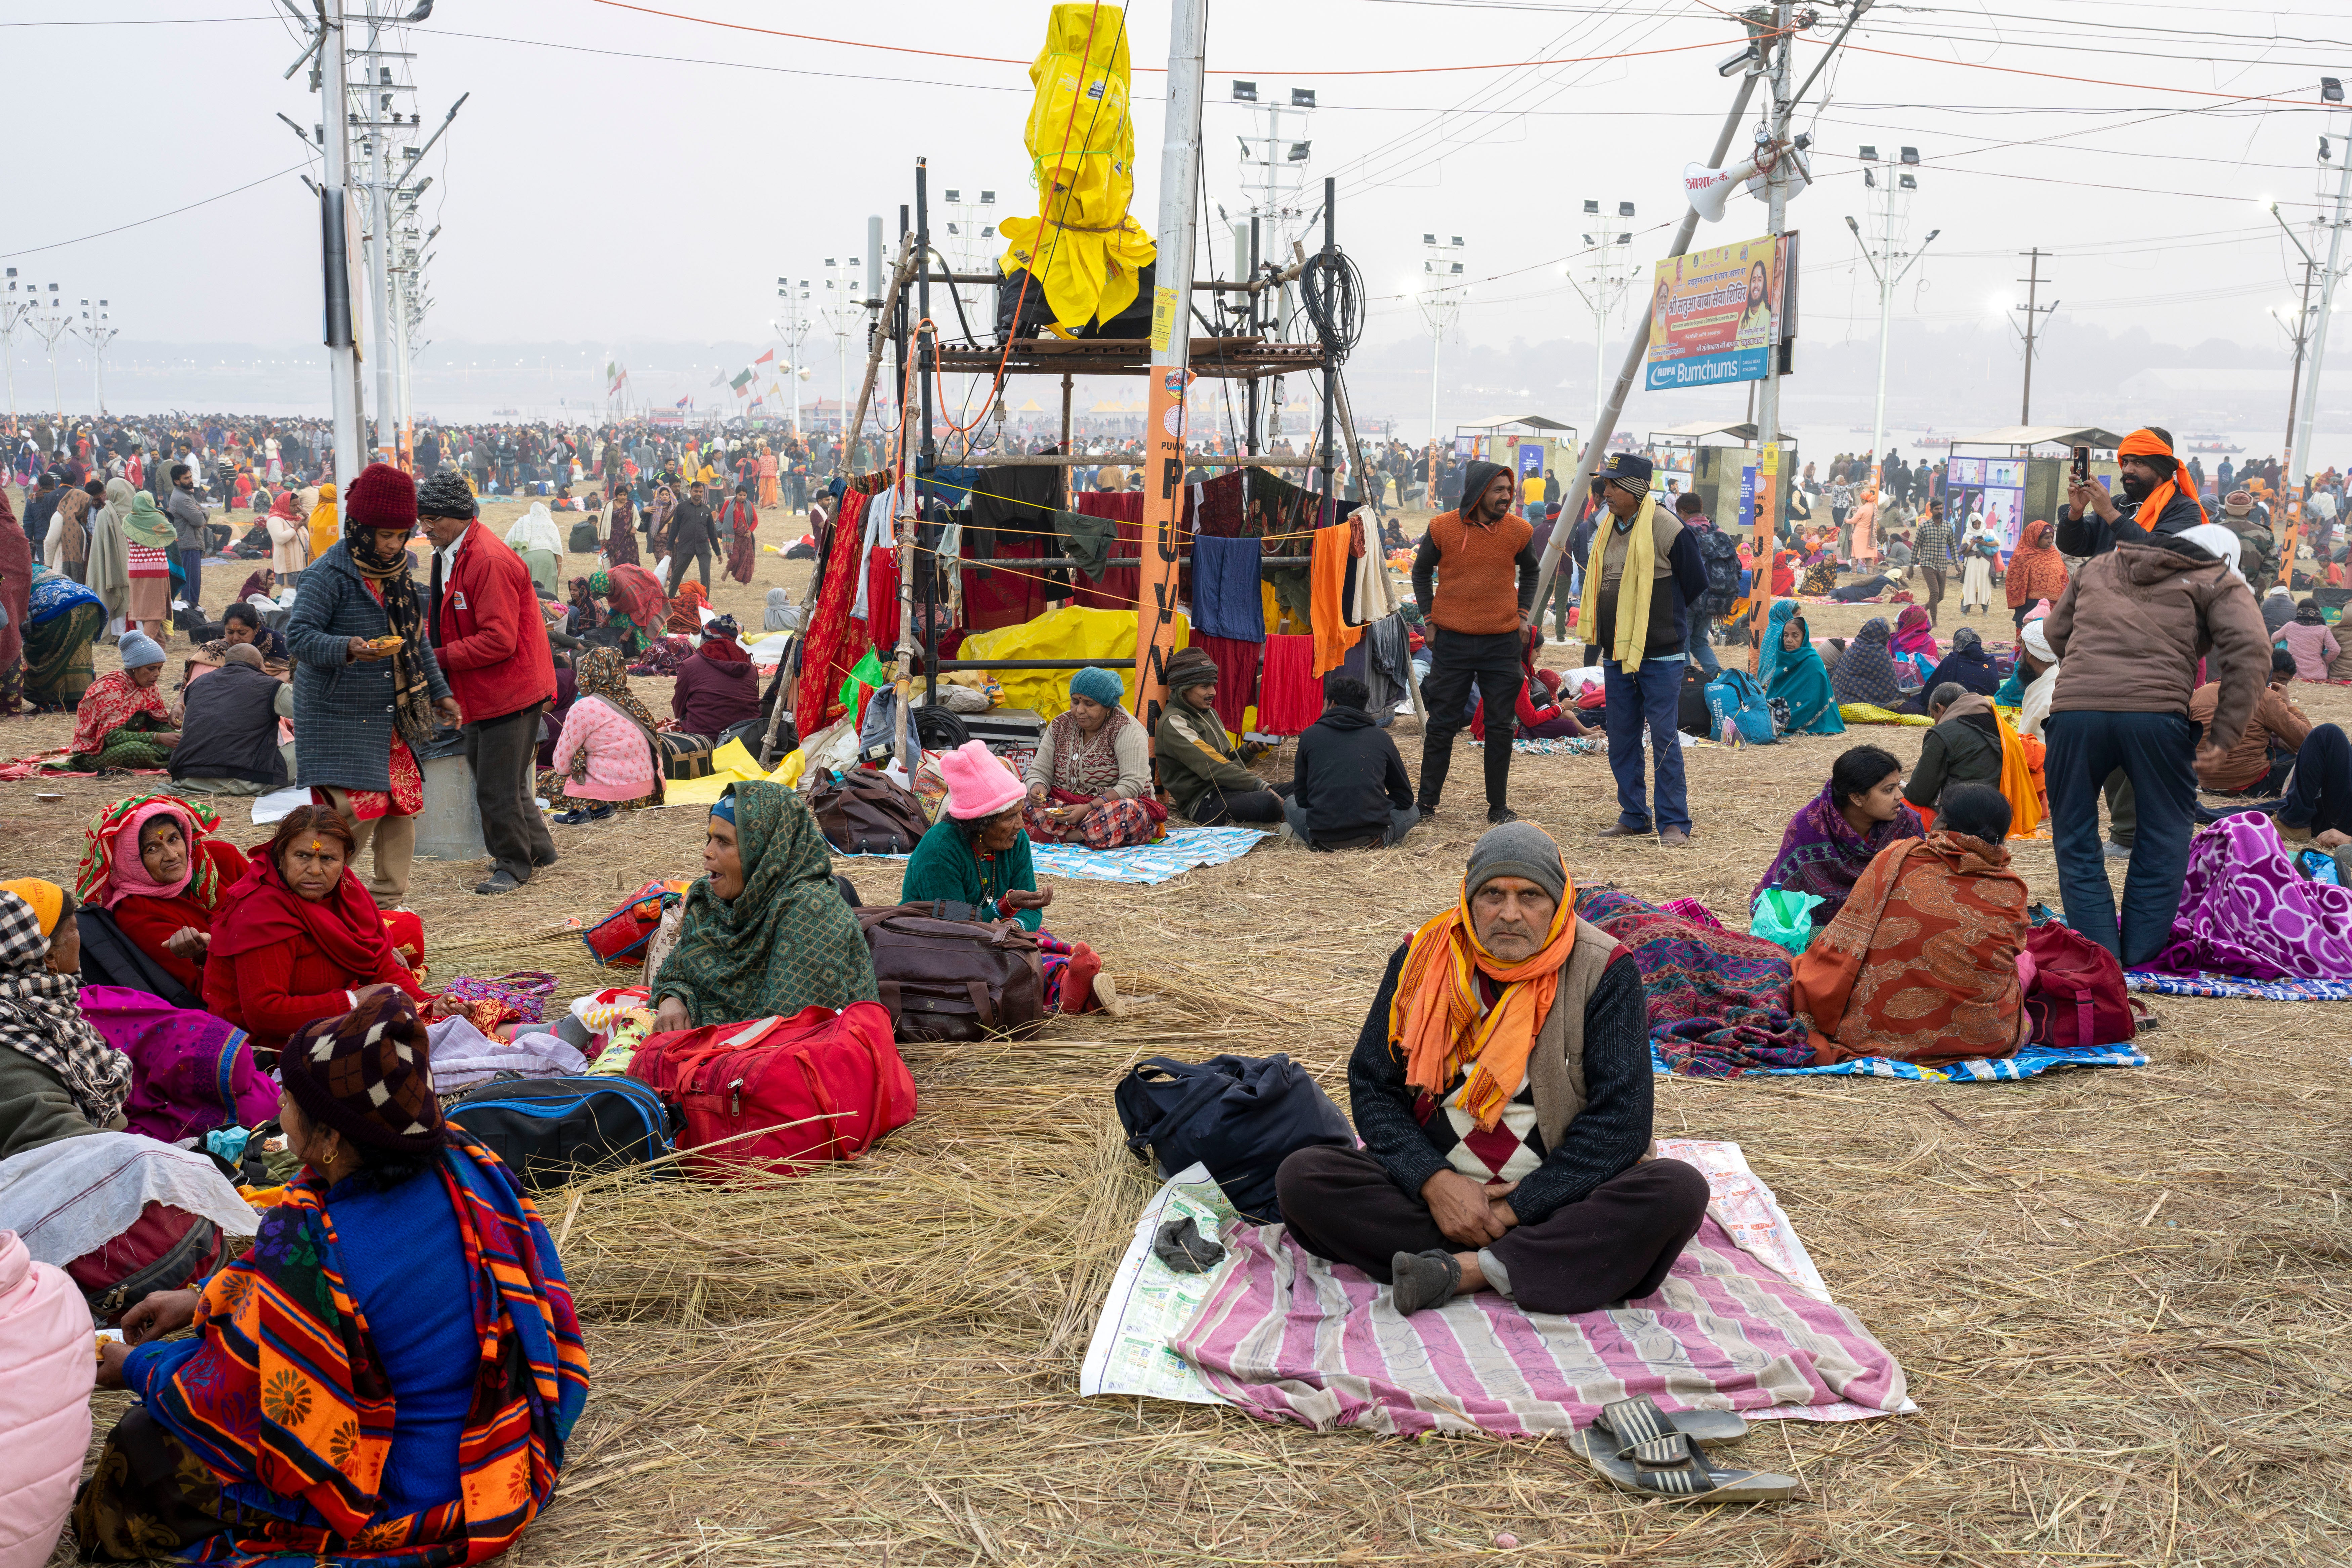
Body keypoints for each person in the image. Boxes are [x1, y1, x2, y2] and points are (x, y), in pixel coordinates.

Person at [77, 989, 588, 1566]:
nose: (277, 1103)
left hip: (402, 1484)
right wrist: (197, 1300)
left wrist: (135, 1365)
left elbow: (230, 1397)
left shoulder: (319, 1250)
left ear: (331, 1139)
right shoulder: (465, 1165)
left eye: (290, 1100)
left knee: (144, 1447)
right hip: (496, 1445)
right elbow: (281, 1288)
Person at [1271, 823, 1709, 1316]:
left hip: (1559, 1196)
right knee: (1303, 1177)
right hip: (1436, 1195)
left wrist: (1515, 1208)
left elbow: (1622, 1123)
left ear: (1559, 902)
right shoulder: (1419, 957)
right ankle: (1530, 1262)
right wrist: (1435, 1183)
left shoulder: (1604, 968)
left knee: (1677, 1190)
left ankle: (1466, 1269)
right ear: (1468, 898)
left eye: (1530, 896)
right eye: (1493, 894)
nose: (1510, 913)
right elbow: (1374, 1085)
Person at [2044, 511, 2269, 965]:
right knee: (2164, 834)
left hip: (2074, 716)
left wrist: (2092, 673)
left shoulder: (2099, 565)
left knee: (2075, 837)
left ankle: (2101, 955)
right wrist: (2225, 730)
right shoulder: (2213, 577)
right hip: (2156, 717)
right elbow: (2252, 650)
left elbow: (2054, 631)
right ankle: (2139, 955)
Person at [286, 463, 461, 905]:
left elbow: (415, 642)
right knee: (357, 808)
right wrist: (347, 647)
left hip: (386, 716)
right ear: (360, 529)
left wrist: (440, 692)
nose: (394, 545)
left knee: (402, 803)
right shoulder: (327, 574)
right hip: (337, 715)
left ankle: (387, 899)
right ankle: (316, 892)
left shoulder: (397, 573)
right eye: (385, 535)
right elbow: (299, 637)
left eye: (402, 535)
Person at [1790, 783, 2030, 1068]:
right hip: (1984, 1041)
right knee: (2025, 962)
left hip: (1871, 1034)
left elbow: (1845, 938)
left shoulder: (1895, 857)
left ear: (1942, 824)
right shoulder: (2012, 889)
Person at [418, 469, 560, 896]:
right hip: (487, 687)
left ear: (457, 515)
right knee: (503, 778)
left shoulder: (487, 560)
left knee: (496, 787)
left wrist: (435, 658)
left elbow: (499, 640)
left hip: (508, 688)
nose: (424, 528)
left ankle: (513, 866)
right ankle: (540, 851)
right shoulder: (450, 552)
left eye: (431, 519)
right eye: (422, 519)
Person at [649, 781, 879, 1031]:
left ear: (765, 851)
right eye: (710, 839)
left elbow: (790, 1028)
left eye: (723, 842)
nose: (708, 852)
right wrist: (672, 1000)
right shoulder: (709, 901)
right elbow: (676, 976)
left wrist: (695, 1019)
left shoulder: (812, 910)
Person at [201, 805, 430, 1054]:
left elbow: (380, 966)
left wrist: (426, 1005)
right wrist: (355, 1000)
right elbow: (263, 1014)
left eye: (328, 859)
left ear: (345, 861)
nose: (314, 870)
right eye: (302, 856)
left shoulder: (347, 892)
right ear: (281, 856)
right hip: (267, 1044)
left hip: (333, 1018)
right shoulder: (260, 914)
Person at [900, 742, 1107, 1012]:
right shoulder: (939, 849)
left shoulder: (1016, 840)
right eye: (1011, 817)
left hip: (997, 933)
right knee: (993, 964)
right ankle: (1068, 993)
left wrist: (1016, 924)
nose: (1021, 825)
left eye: (1020, 813)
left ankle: (1074, 985)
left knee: (1033, 942)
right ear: (980, 822)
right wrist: (1004, 908)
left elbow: (1031, 911)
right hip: (939, 942)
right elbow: (956, 929)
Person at [1581, 453, 1710, 846]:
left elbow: (1695, 582)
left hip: (1661, 653)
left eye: (1613, 485)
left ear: (1635, 488)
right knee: (1622, 737)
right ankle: (1634, 815)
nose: (1605, 492)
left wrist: (1658, 618)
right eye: (1606, 484)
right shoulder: (1607, 527)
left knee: (1664, 737)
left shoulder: (1668, 527)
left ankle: (1674, 822)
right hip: (1617, 651)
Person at [1413, 458, 1541, 824]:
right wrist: (1428, 620)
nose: (1507, 496)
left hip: (1501, 643)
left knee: (1500, 727)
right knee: (1441, 724)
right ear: (1479, 492)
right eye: (1499, 489)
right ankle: (1426, 804)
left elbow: (1531, 572)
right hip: (1452, 641)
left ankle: (1498, 807)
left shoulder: (1519, 530)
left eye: (1509, 489)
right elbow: (1420, 573)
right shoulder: (1442, 527)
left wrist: (1523, 615)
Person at [0, 878, 134, 1156]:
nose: (80, 936)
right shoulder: (12, 1036)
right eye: (74, 928)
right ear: (49, 958)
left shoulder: (46, 1013)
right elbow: (64, 1145)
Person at [71, 794, 250, 997]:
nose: (172, 855)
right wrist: (202, 956)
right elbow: (202, 990)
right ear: (128, 861)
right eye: (152, 849)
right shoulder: (136, 912)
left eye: (174, 839)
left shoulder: (221, 857)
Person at [1751, 745, 1925, 932]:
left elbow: (1915, 888)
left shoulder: (1906, 825)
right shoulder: (1810, 825)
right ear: (1857, 798)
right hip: (1814, 931)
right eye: (1889, 790)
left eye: (1898, 785)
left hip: (1885, 929)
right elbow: (1786, 901)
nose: (1900, 795)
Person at [1021, 666, 1159, 849]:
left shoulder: (1127, 729)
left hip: (1108, 809)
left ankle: (1066, 837)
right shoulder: (1060, 725)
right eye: (1075, 701)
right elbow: (1039, 771)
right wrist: (1037, 788)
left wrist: (1088, 808)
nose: (1079, 710)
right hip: (1067, 807)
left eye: (1089, 704)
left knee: (1127, 810)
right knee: (1017, 797)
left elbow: (1132, 785)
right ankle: (1085, 835)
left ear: (1108, 707)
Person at [1280, 672, 1419, 850]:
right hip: (1373, 838)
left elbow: (1302, 800)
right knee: (1414, 810)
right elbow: (1405, 799)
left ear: (1332, 704)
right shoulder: (1381, 738)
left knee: (1290, 802)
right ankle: (1388, 838)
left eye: (1324, 703)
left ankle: (1300, 837)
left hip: (1323, 839)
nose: (1322, 709)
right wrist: (1372, 805)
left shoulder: (1309, 736)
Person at [1155, 646, 1284, 824]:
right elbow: (1214, 767)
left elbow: (1226, 760)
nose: (1213, 693)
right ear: (1184, 689)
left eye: (1213, 685)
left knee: (1301, 788)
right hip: (1204, 802)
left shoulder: (1210, 714)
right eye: (1205, 686)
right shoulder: (1174, 722)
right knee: (1268, 802)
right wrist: (1262, 786)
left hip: (1230, 789)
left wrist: (1248, 751)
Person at [545, 645, 663, 824]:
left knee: (540, 783)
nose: (577, 681)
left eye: (583, 673)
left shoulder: (584, 707)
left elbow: (562, 767)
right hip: (648, 795)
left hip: (609, 800)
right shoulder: (634, 703)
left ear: (591, 675)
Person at [167, 641, 292, 795]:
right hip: (246, 779)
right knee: (308, 748)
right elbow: (308, 709)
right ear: (261, 665)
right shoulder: (270, 685)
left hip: (187, 777)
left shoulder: (198, 683)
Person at [2059, 426, 2207, 556]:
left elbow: (2161, 554)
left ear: (2161, 468)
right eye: (2125, 462)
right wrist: (2076, 513)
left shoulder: (2184, 509)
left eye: (2139, 462)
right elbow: (2072, 547)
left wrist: (2111, 514)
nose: (2127, 470)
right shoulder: (2117, 504)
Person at [2192, 648, 2312, 797]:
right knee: (2317, 757)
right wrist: (2288, 703)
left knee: (2283, 750)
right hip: (2250, 786)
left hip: (2207, 785)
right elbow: (2307, 740)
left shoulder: (2200, 694)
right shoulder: (2265, 697)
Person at [67, 631, 179, 770]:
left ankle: (168, 757)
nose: (158, 674)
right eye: (151, 669)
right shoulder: (110, 689)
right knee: (136, 751)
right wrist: (158, 738)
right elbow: (112, 737)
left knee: (184, 739)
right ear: (134, 668)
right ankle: (171, 762)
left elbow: (155, 722)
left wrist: (172, 733)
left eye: (160, 668)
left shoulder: (148, 686)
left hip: (139, 741)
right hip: (98, 752)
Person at [1904, 682, 2004, 824]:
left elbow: (1918, 795)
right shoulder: (2000, 725)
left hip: (1964, 812)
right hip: (2003, 808)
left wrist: (1901, 790)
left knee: (1897, 803)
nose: (1935, 722)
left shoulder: (1942, 733)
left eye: (1933, 716)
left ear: (1940, 708)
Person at [21, 566, 108, 710]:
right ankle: (77, 703)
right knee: (79, 654)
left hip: (57, 605)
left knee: (40, 656)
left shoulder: (9, 574)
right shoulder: (33, 567)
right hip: (90, 599)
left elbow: (19, 620)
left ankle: (46, 702)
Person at [1757, 600, 1844, 736]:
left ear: (1804, 638)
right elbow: (1774, 695)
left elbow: (1813, 702)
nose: (1789, 640)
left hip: (1804, 715)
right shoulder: (1784, 659)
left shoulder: (1812, 662)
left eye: (1795, 636)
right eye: (1786, 635)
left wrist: (1786, 717)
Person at [670, 615, 761, 742]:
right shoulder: (750, 667)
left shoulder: (691, 664)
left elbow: (679, 706)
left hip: (705, 739)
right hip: (745, 738)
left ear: (705, 639)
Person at [164, 463, 210, 631]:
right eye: (186, 478)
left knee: (194, 582)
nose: (191, 480)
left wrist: (202, 512)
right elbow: (199, 520)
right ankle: (189, 617)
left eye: (190, 476)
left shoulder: (186, 494)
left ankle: (192, 613)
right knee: (191, 583)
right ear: (177, 481)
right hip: (188, 544)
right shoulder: (181, 498)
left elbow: (201, 512)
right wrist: (203, 513)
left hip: (192, 542)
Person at [2005, 519, 2069, 630]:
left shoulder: (2054, 554)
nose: (2050, 541)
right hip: (2029, 606)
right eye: (2046, 538)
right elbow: (2014, 580)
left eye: (2052, 537)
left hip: (2052, 607)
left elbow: (2063, 578)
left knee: (2047, 636)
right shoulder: (2022, 556)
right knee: (2027, 636)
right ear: (2035, 538)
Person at [1827, 617, 1904, 708]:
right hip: (1864, 708)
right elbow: (1891, 690)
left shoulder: (1851, 649)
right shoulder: (1882, 655)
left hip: (1839, 702)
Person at [667, 479, 719, 590]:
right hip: (686, 546)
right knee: (678, 573)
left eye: (701, 492)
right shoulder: (682, 507)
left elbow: (712, 533)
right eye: (696, 491)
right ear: (691, 492)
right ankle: (671, 597)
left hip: (703, 547)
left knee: (705, 576)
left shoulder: (706, 510)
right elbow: (674, 529)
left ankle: (705, 600)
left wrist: (718, 552)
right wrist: (669, 547)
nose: (699, 494)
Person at [1911, 501, 1956, 624]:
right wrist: (1911, 567)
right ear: (1931, 511)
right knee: (1935, 592)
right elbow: (1916, 547)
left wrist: (1957, 564)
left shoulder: (1948, 526)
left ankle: (1924, 608)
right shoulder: (1924, 527)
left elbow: (1952, 546)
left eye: (1941, 509)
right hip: (1928, 563)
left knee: (1940, 596)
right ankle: (1934, 622)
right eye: (1937, 509)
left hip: (1942, 565)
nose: (1940, 511)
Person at [2277, 597, 2341, 681]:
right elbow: (2336, 650)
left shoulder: (2290, 626)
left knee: (2282, 641)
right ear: (2317, 612)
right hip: (2318, 675)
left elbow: (2274, 639)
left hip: (2294, 673)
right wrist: (2324, 660)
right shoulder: (2324, 629)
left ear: (2299, 612)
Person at [219, 599, 289, 665]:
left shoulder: (276, 642)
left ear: (257, 628)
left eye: (242, 633)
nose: (236, 638)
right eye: (230, 632)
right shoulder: (220, 647)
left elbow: (288, 669)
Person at [262, 488, 309, 583]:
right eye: (294, 506)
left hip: (302, 565)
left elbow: (313, 529)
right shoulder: (275, 519)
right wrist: (296, 528)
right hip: (288, 566)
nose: (297, 508)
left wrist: (307, 516)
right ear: (284, 505)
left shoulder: (296, 518)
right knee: (290, 591)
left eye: (299, 505)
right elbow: (279, 539)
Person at [722, 482, 760, 584]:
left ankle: (745, 583)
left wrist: (750, 531)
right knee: (735, 559)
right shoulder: (729, 504)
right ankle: (727, 570)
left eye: (745, 495)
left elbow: (755, 520)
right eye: (740, 495)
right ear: (736, 494)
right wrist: (729, 514)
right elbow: (721, 519)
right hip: (733, 537)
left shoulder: (749, 505)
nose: (743, 497)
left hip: (746, 537)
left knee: (746, 560)